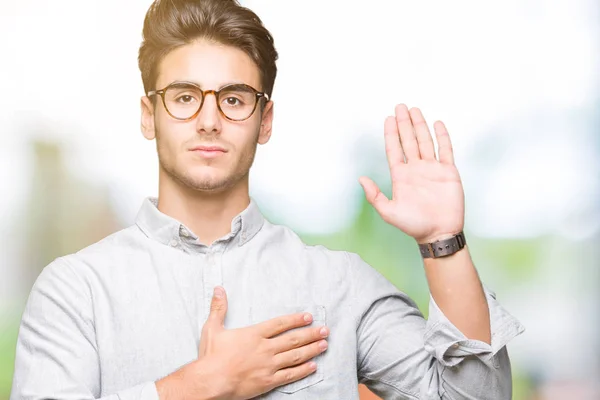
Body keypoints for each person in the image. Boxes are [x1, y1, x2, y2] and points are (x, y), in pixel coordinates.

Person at [10, 0, 524, 399]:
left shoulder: (337, 284)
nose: (209, 120)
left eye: (233, 99)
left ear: (266, 120)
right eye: (185, 97)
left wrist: (443, 243)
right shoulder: (75, 290)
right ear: (149, 115)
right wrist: (196, 386)